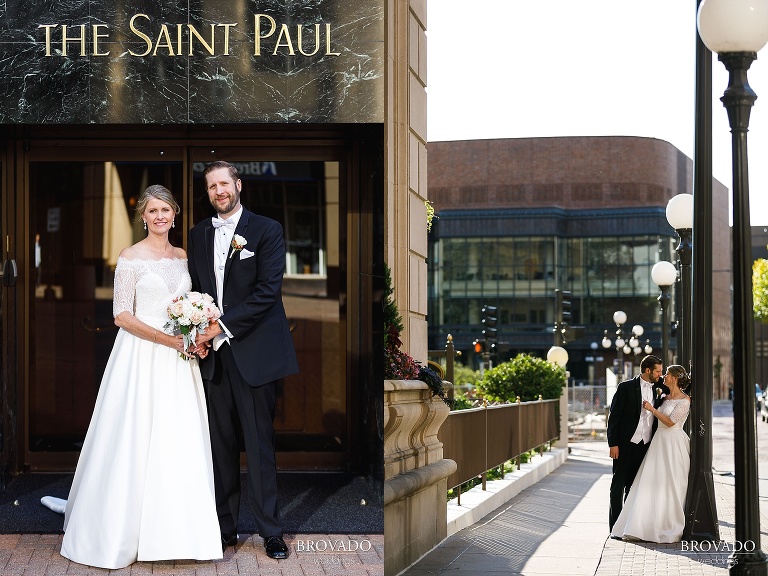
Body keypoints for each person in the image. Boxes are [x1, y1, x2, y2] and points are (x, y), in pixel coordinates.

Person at [60, 185, 222, 569]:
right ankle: (120, 529)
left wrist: (198, 337)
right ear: (143, 217)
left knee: (175, 438)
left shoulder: (183, 256)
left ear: (175, 213)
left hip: (180, 364)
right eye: (153, 211)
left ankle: (176, 531)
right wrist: (171, 341)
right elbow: (122, 315)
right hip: (140, 357)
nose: (160, 216)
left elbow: (192, 306)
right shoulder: (129, 258)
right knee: (134, 435)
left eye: (166, 209)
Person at [187, 161, 299, 559]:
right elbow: (196, 292)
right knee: (221, 448)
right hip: (214, 360)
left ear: (238, 185)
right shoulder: (198, 233)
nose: (219, 191)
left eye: (224, 183)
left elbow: (268, 292)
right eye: (211, 186)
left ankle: (270, 531)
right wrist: (195, 334)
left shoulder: (267, 230)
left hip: (255, 354)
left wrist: (218, 327)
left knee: (259, 445)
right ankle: (224, 529)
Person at [610, 365, 691, 542]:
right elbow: (616, 415)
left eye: (667, 374)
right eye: (661, 372)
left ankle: (667, 523)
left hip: (673, 444)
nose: (663, 376)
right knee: (649, 483)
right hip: (656, 443)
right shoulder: (663, 396)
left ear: (675, 379)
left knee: (671, 483)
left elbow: (670, 422)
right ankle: (641, 524)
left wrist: (652, 409)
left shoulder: (685, 401)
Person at [606, 354, 669, 531]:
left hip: (646, 446)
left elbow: (677, 389)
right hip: (625, 445)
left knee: (634, 488)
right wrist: (613, 444)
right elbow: (614, 417)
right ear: (647, 370)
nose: (660, 374)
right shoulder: (625, 387)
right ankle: (615, 527)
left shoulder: (660, 386)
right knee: (617, 487)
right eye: (658, 371)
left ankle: (628, 525)